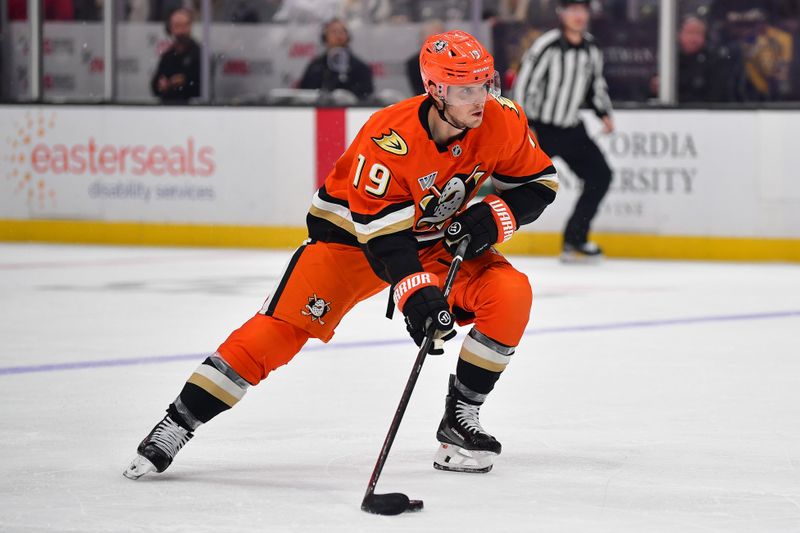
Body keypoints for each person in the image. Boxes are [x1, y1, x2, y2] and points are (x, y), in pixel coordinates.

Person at [124, 30, 559, 480]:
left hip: (432, 242)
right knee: (277, 334)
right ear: (435, 90)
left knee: (509, 293)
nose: (480, 98)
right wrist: (416, 294)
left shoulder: (501, 119)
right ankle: (177, 423)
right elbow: (384, 238)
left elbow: (540, 183)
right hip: (350, 242)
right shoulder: (389, 137)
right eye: (465, 89)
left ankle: (460, 419)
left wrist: (497, 215)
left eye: (485, 84)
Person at [513, 0, 613, 263]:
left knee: (600, 176)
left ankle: (574, 240)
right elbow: (524, 85)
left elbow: (595, 85)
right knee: (516, 184)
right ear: (562, 13)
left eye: (582, 9)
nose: (578, 15)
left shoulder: (592, 48)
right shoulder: (547, 45)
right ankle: (489, 237)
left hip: (571, 128)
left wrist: (604, 113)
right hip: (541, 130)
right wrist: (526, 126)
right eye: (572, 9)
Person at [298, 18, 374, 102]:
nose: (338, 36)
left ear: (348, 36)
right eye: (333, 32)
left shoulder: (360, 67)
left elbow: (367, 94)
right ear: (325, 37)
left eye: (342, 32)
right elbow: (305, 93)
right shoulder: (316, 66)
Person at [150, 8, 201, 104]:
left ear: (190, 27)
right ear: (170, 28)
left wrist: (184, 82)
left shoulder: (199, 54)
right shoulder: (168, 56)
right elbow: (155, 85)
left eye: (184, 25)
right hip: (168, 106)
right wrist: (161, 85)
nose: (180, 30)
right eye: (177, 25)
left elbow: (202, 87)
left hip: (192, 108)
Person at [405, 19, 445, 96]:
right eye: (431, 37)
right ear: (422, 39)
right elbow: (420, 92)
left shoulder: (455, 61)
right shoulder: (414, 63)